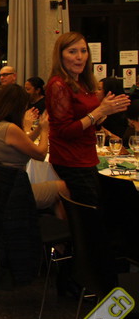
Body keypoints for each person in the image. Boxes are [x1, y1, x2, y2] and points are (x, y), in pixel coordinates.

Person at [46, 32, 129, 206]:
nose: (80, 57)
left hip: (86, 156)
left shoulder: (83, 83)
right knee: (89, 210)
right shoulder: (58, 85)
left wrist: (106, 111)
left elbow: (88, 120)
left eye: (83, 51)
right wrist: (99, 112)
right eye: (72, 52)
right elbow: (65, 131)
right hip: (70, 159)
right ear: (60, 56)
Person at [0, 84, 68, 217]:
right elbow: (41, 154)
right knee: (64, 188)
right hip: (14, 190)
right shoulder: (10, 128)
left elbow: (23, 142)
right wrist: (45, 131)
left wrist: (39, 127)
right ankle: (62, 227)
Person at [98, 77, 129, 141]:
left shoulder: (119, 115)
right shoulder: (95, 108)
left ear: (109, 92)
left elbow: (120, 140)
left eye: (99, 89)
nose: (95, 91)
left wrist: (107, 133)